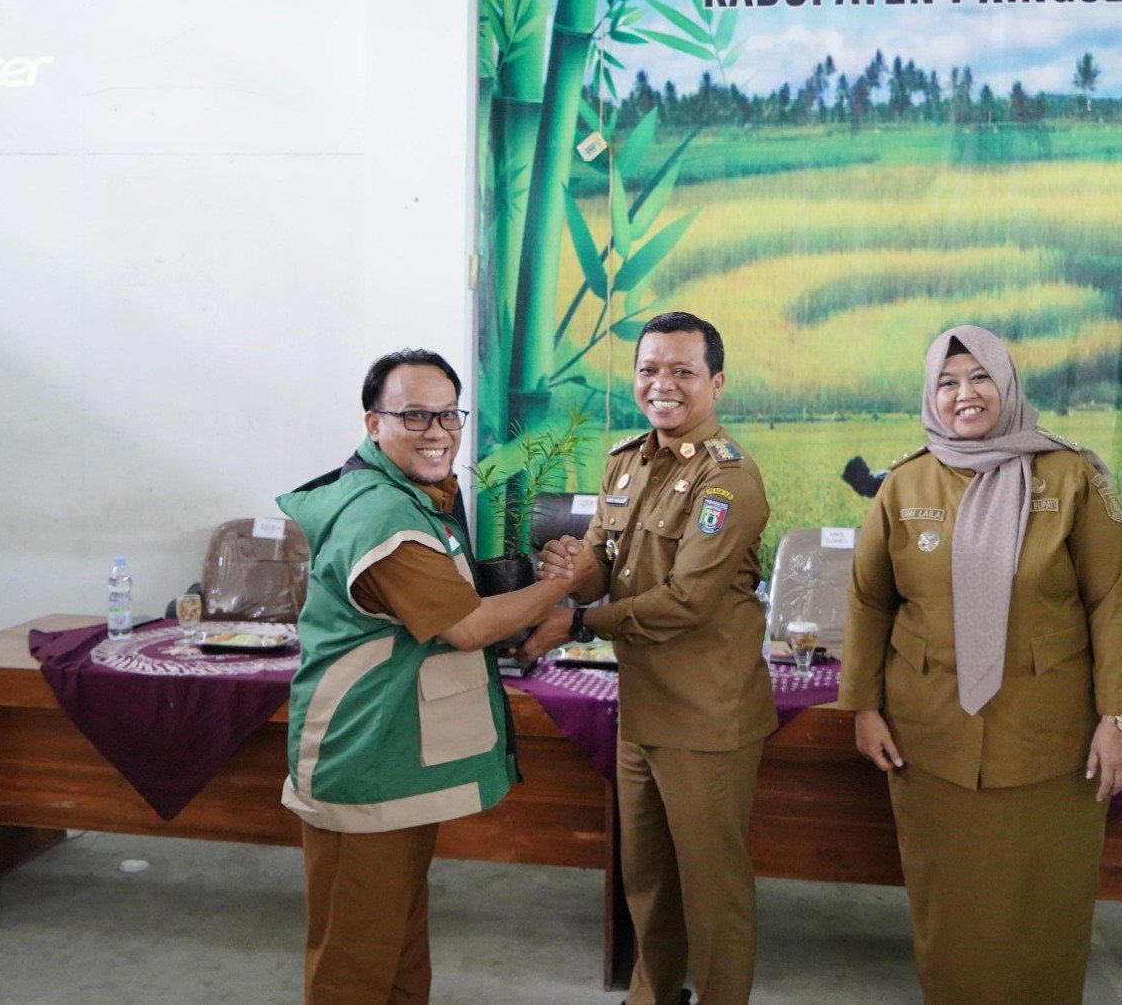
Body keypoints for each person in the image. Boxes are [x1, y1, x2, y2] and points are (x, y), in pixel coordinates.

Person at [838, 324, 1122, 1005]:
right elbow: (868, 600)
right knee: (948, 909)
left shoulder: (1070, 476)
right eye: (948, 382)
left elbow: (1114, 601)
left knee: (1044, 909)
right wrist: (863, 707)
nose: (966, 394)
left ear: (1007, 383)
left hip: (1049, 742)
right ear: (931, 395)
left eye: (980, 376)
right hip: (929, 740)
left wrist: (1119, 717)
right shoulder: (905, 483)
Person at [277, 348, 578, 1005]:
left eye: (447, 414)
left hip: (395, 758)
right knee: (355, 965)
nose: (437, 430)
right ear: (373, 422)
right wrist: (565, 586)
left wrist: (538, 601)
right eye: (414, 415)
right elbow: (466, 626)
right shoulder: (381, 517)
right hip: (365, 761)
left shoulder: (417, 498)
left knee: (399, 945)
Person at [524, 311, 774, 1005]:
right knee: (648, 882)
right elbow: (603, 563)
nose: (662, 384)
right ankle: (651, 996)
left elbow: (686, 601)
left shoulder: (727, 480)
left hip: (706, 718)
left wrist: (575, 619)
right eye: (649, 369)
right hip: (641, 709)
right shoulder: (625, 461)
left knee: (713, 891)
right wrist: (565, 574)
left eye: (682, 371)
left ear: (716, 383)